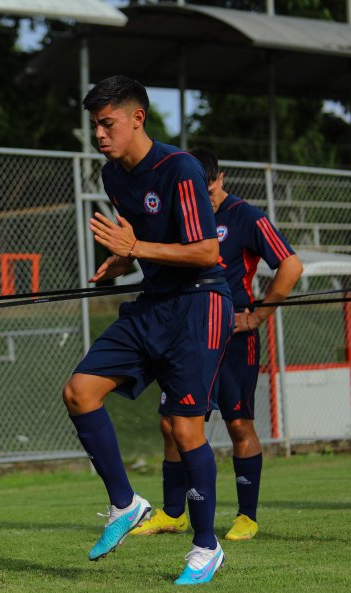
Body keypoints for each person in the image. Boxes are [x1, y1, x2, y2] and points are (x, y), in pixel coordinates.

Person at [61, 75, 233, 586]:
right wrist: (121, 258)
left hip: (200, 301)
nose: (99, 134)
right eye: (94, 125)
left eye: (107, 123)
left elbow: (206, 251)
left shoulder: (179, 168)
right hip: (153, 303)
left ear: (138, 118)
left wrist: (135, 251)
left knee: (184, 430)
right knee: (79, 392)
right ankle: (125, 503)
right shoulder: (115, 176)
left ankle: (206, 546)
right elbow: (143, 240)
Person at [130, 147, 302, 541]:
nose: (202, 195)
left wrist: (257, 316)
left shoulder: (246, 217)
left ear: (220, 179)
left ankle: (247, 516)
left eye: (207, 187)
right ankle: (173, 513)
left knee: (239, 423)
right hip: (188, 333)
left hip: (233, 335)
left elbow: (290, 265)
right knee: (173, 424)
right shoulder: (182, 212)